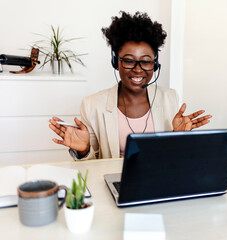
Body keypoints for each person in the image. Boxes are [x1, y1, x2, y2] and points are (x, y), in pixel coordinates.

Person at [49, 11, 212, 160]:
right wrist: (84, 150)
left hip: (156, 182)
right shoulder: (92, 105)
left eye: (146, 61)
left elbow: (172, 161)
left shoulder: (170, 98)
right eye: (128, 60)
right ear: (116, 62)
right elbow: (93, 169)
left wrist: (177, 138)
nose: (138, 69)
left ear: (154, 64)